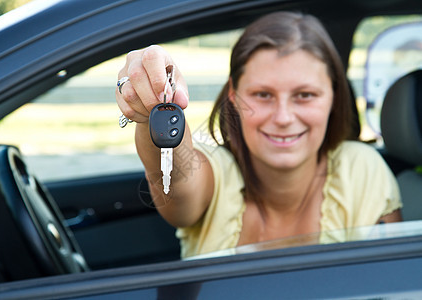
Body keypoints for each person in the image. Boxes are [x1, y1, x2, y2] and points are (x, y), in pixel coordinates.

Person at [115, 11, 402, 258]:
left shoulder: (360, 170)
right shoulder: (219, 175)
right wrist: (152, 105)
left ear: (333, 97)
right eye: (263, 94)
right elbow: (175, 182)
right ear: (233, 95)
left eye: (305, 95)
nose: (283, 117)